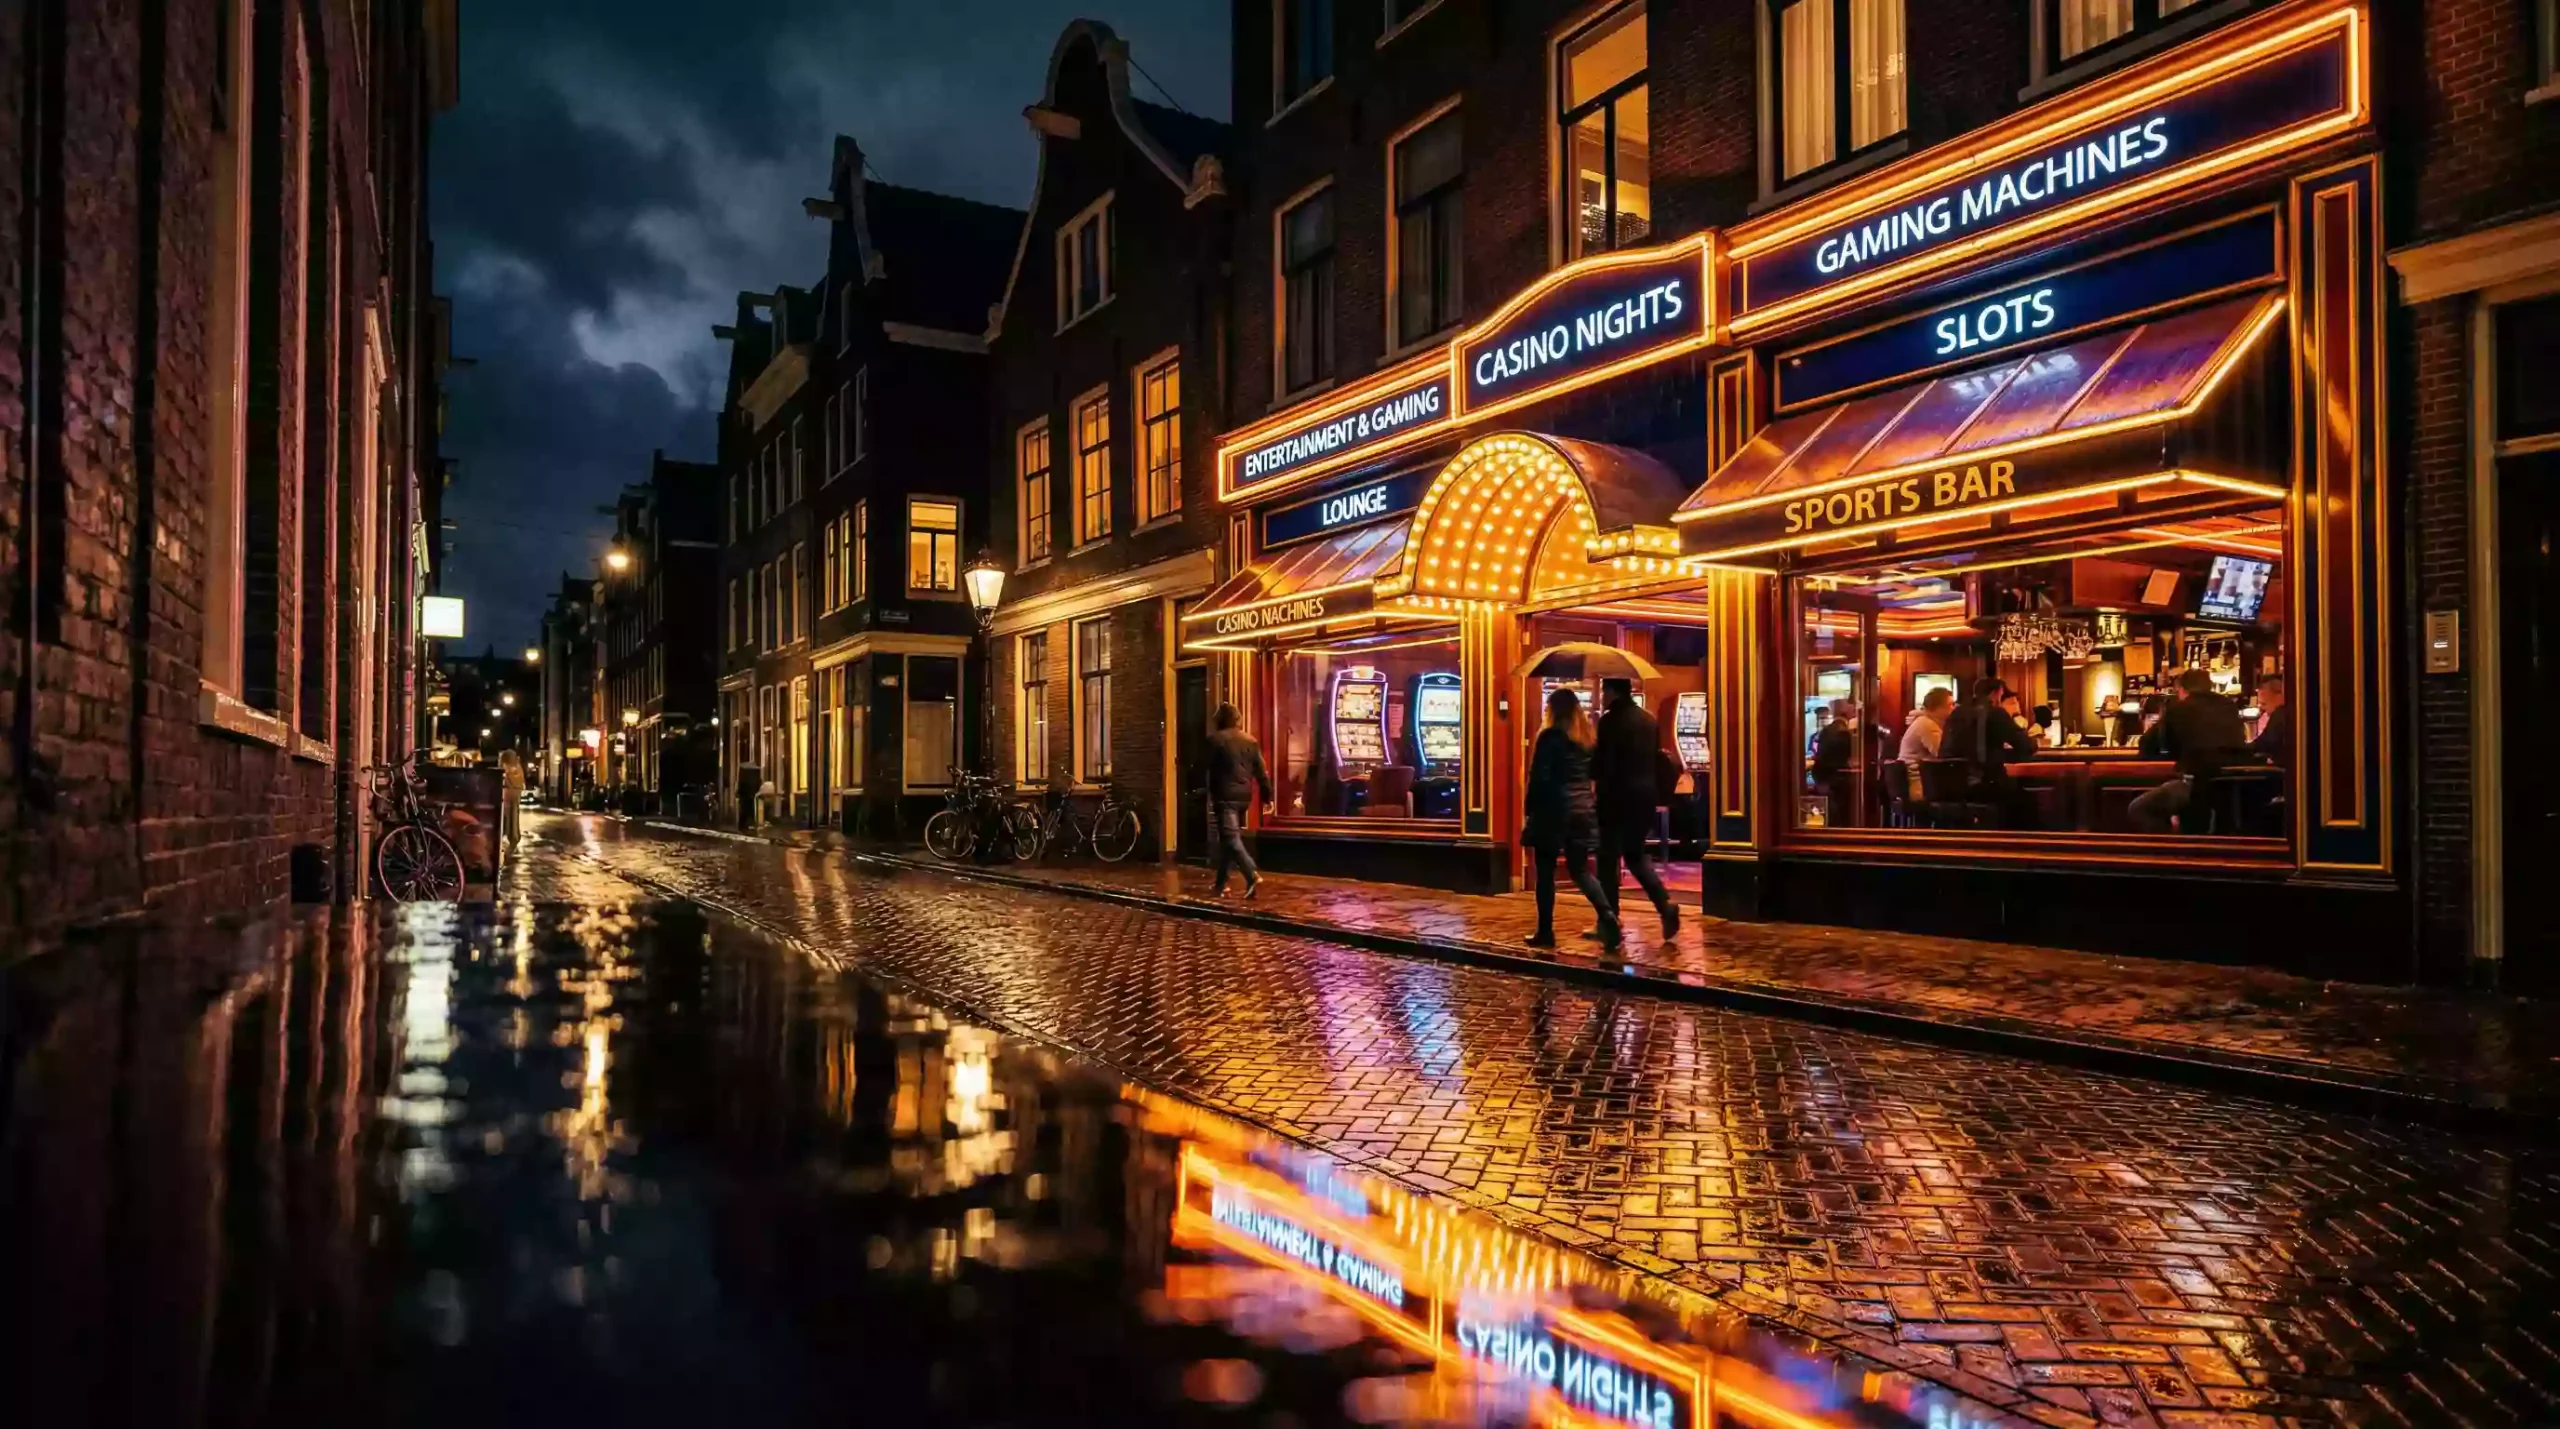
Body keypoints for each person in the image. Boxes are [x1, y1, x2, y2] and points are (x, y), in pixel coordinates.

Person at [1523, 688, 1619, 951]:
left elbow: (1539, 778)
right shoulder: (1587, 739)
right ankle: (1608, 915)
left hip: (1553, 811)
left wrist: (1529, 808)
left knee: (1544, 873)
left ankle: (1545, 932)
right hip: (1582, 810)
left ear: (1552, 710)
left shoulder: (1549, 737)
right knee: (1580, 870)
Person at [1592, 678, 1681, 941]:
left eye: (1604, 690)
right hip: (1645, 796)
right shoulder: (1648, 719)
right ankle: (1665, 905)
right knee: (1635, 855)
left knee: (1607, 858)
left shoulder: (1610, 721)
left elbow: (1603, 765)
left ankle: (1609, 921)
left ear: (1612, 691)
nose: (1602, 695)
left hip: (1616, 797)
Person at [2130, 667, 2248, 832]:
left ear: (2182, 690)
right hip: (2233, 790)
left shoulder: (2179, 709)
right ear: (2210, 687)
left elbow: (2148, 745)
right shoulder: (2229, 706)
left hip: (2195, 786)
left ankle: (2171, 852)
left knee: (2138, 809)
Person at [1939, 677, 2042, 827]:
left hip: (1953, 786)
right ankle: (2017, 846)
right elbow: (2025, 745)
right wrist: (2034, 741)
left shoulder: (1956, 713)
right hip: (1983, 784)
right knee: (2027, 801)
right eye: (2000, 696)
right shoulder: (1996, 713)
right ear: (1995, 694)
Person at [1202, 703, 1272, 899]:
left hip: (1225, 796)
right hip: (1244, 797)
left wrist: (1200, 790)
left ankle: (1251, 874)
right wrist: (1267, 795)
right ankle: (1220, 884)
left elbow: (1203, 767)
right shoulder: (1250, 741)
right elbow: (1261, 771)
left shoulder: (1214, 740)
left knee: (1231, 838)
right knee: (1228, 839)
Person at [1810, 698, 1859, 827]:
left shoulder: (1827, 730)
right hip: (1837, 780)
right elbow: (1847, 760)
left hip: (1823, 778)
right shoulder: (1844, 732)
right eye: (1850, 705)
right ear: (1844, 710)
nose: (1854, 708)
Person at [1900, 686, 1953, 769]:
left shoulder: (1926, 721)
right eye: (1950, 705)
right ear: (1937, 708)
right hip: (1914, 775)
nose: (1953, 709)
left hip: (1915, 773)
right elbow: (1942, 753)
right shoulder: (1926, 724)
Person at [2250, 675, 2292, 765]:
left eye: (2263, 704)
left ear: (2280, 694)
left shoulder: (2281, 714)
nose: (2262, 709)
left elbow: (2262, 745)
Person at [498, 748, 526, 847]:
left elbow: (503, 779)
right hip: (517, 791)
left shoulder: (505, 768)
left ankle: (508, 834)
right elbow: (522, 781)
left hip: (508, 792)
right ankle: (515, 835)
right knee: (515, 814)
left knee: (506, 815)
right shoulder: (518, 767)